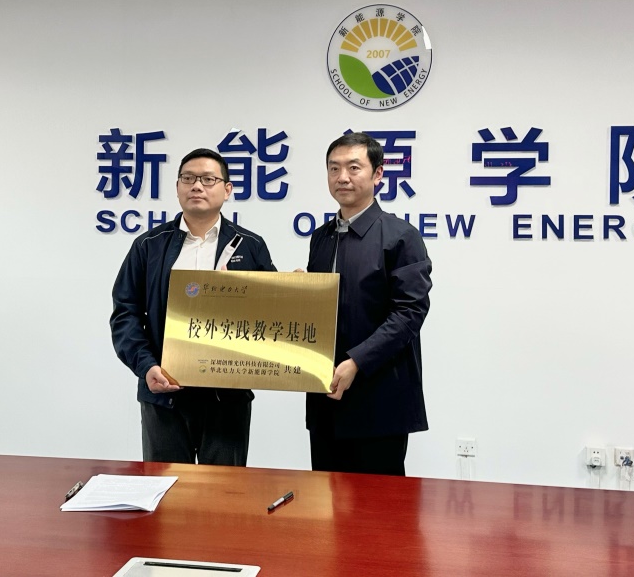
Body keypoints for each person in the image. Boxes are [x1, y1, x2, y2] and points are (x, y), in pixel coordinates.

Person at [111, 148, 276, 465]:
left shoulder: (250, 245)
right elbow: (125, 314)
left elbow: (269, 317)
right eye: (188, 178)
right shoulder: (148, 245)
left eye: (208, 179)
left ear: (227, 190)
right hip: (164, 395)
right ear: (177, 188)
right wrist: (147, 367)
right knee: (167, 489)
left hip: (226, 397)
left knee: (224, 492)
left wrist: (290, 289)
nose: (197, 186)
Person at [306, 132, 432, 476]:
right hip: (325, 397)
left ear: (378, 174)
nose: (342, 177)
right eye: (334, 168)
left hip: (380, 398)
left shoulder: (401, 236)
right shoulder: (321, 237)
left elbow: (409, 313)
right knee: (326, 499)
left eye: (353, 167)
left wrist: (356, 362)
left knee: (377, 505)